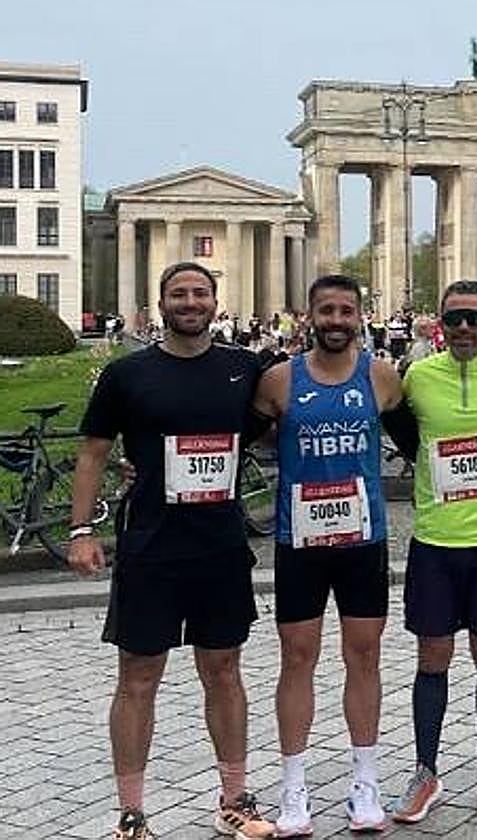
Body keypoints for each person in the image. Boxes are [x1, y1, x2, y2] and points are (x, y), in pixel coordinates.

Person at [68, 262, 274, 840]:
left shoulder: (243, 367)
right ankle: (131, 814)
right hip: (151, 544)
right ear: (161, 303)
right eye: (178, 294)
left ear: (215, 301)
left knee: (225, 671)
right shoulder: (128, 374)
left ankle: (235, 799)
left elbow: (277, 423)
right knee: (137, 676)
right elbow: (92, 454)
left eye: (200, 293)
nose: (190, 302)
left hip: (219, 544)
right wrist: (81, 531)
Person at [251, 274, 403, 836]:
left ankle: (365, 781)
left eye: (346, 310)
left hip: (363, 541)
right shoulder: (278, 380)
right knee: (298, 658)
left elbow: (417, 438)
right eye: (326, 311)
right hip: (301, 541)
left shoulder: (382, 377)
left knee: (364, 657)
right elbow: (247, 437)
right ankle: (294, 787)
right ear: (309, 316)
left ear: (360, 316)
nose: (336, 320)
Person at [392, 279, 477, 824]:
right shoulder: (419, 377)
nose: (465, 330)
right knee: (433, 660)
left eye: (475, 319)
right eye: (455, 320)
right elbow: (403, 434)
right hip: (435, 540)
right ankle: (426, 771)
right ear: (438, 325)